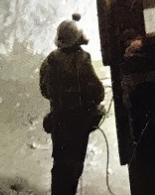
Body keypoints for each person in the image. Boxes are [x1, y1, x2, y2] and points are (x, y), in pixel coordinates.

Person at [39, 14, 105, 195]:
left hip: (59, 122)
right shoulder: (83, 59)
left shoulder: (50, 60)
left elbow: (44, 91)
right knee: (74, 167)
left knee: (60, 166)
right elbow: (98, 92)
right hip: (79, 124)